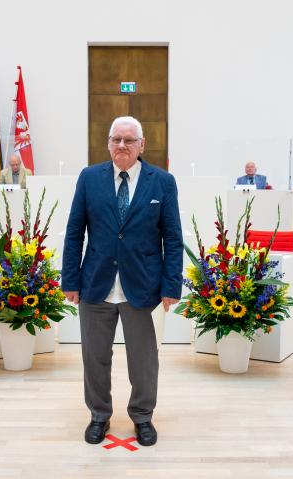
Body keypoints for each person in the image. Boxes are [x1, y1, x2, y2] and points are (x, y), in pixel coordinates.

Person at [62, 116, 183, 446]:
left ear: (142, 145)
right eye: (116, 139)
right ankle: (99, 415)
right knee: (95, 357)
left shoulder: (162, 182)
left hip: (142, 286)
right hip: (95, 285)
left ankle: (142, 416)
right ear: (108, 143)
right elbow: (75, 233)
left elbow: (173, 238)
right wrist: (70, 280)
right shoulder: (89, 178)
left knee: (144, 360)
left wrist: (172, 285)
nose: (122, 146)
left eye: (130, 140)